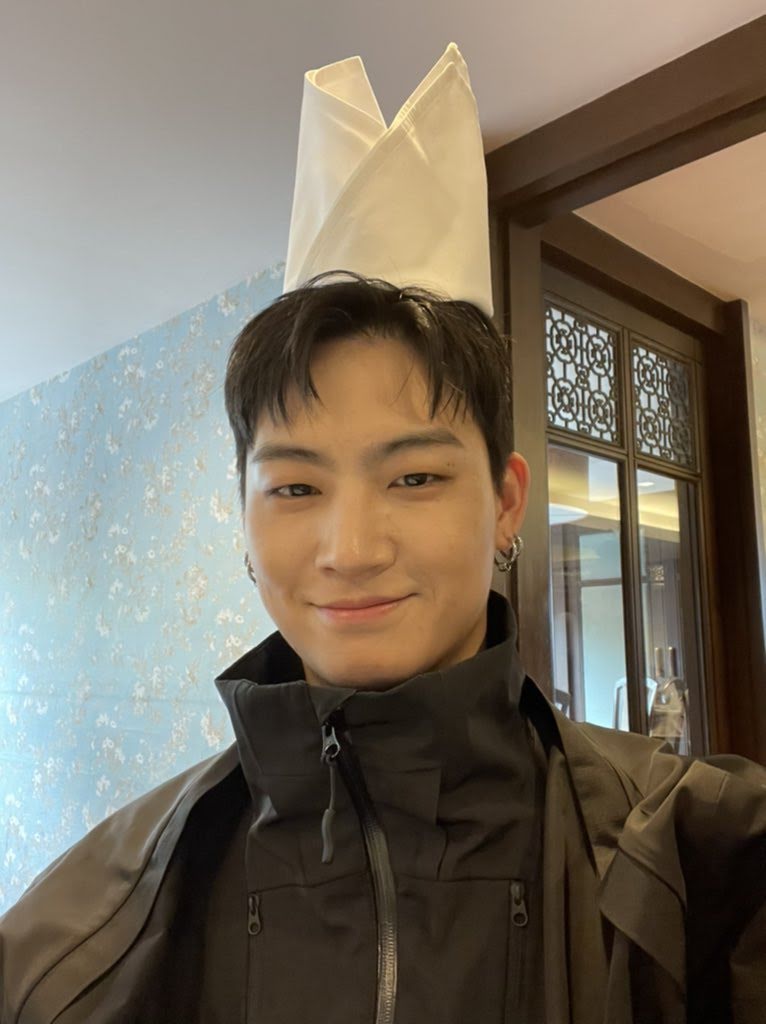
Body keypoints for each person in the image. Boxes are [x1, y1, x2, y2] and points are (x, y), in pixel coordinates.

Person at [3, 44, 766, 1024]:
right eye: (294, 487)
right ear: (244, 524)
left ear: (505, 502)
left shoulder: (698, 858)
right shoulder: (95, 925)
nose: (351, 548)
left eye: (413, 477)